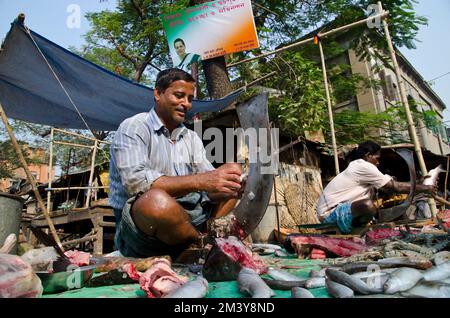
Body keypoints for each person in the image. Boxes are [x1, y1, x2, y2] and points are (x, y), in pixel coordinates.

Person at [109, 68, 242, 258]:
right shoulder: (134, 127)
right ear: (158, 93)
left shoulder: (190, 137)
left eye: (189, 98)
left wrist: (232, 183)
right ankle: (198, 243)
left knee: (232, 175)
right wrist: (201, 181)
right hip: (143, 230)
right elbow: (137, 184)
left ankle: (202, 238)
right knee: (156, 202)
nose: (186, 104)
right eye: (179, 96)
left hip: (191, 217)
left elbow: (211, 184)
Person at [316, 141, 435, 234]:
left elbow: (389, 185)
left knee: (374, 194)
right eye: (377, 158)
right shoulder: (363, 166)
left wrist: (418, 183)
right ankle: (358, 229)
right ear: (368, 156)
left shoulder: (358, 168)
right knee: (368, 205)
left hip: (333, 212)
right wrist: (425, 188)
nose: (378, 163)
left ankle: (360, 229)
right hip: (330, 215)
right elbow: (395, 187)